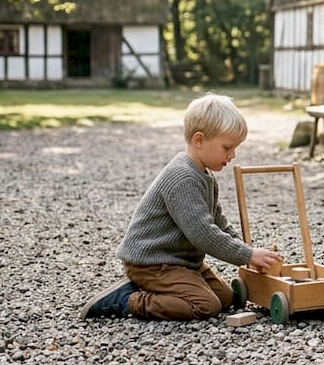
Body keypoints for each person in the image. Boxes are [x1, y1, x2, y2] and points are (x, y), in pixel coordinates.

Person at [79, 92, 284, 320]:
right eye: (227, 147)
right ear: (199, 140)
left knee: (225, 298)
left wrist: (249, 251)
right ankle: (127, 301)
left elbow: (219, 223)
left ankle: (165, 288)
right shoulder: (182, 178)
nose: (233, 155)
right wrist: (247, 254)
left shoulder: (204, 176)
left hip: (182, 263)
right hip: (153, 263)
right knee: (206, 306)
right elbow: (203, 234)